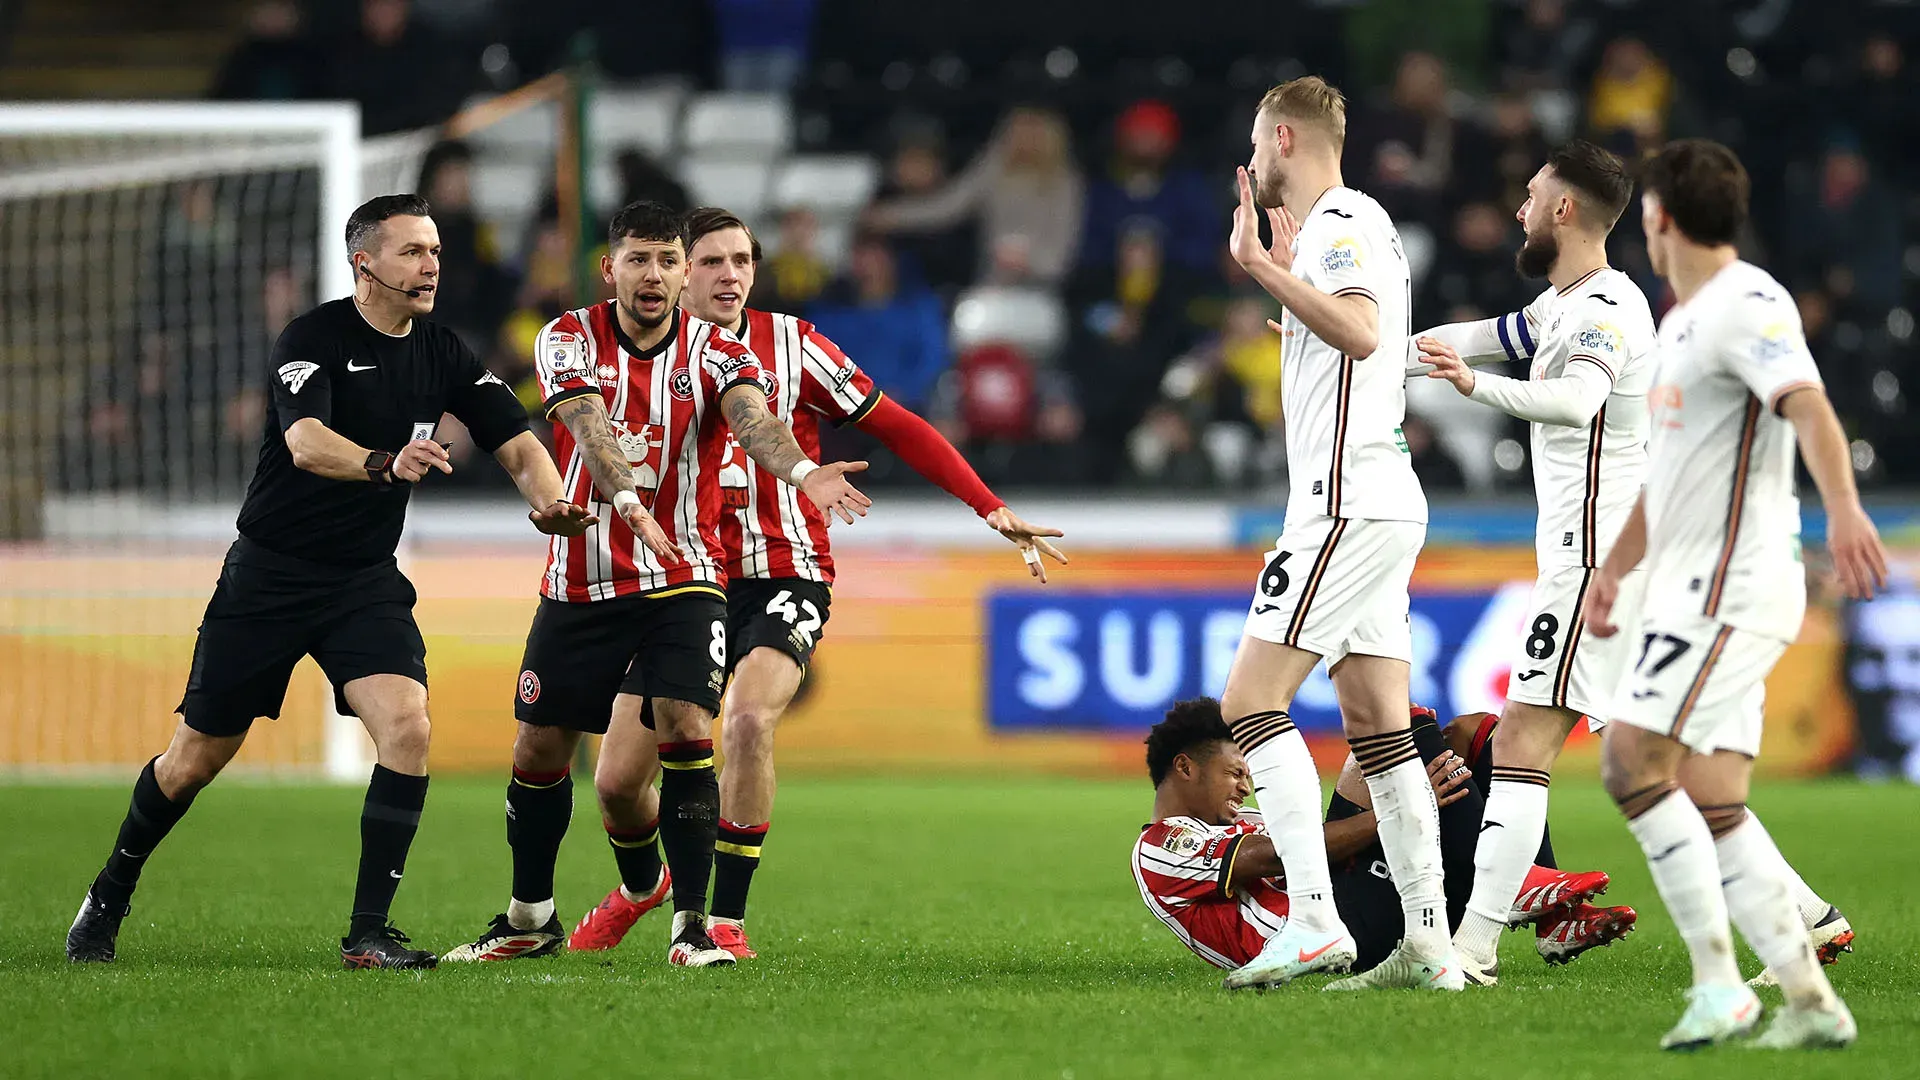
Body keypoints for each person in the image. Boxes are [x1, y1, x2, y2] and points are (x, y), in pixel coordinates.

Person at [64, 194, 598, 970]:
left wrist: (550, 500)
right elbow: (308, 442)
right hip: (269, 577)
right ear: (365, 263)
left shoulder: (443, 350)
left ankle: (368, 934)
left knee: (408, 726)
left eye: (437, 251)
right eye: (413, 251)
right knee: (194, 758)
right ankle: (109, 892)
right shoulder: (310, 338)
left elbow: (515, 438)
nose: (431, 265)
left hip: (361, 582)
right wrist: (384, 463)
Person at [560, 206, 1065, 960]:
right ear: (673, 271)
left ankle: (724, 919)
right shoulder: (627, 352)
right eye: (712, 262)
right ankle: (643, 887)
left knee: (749, 721)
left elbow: (898, 424)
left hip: (781, 569)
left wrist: (989, 506)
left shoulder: (791, 345)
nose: (730, 275)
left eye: (743, 261)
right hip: (685, 577)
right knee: (615, 784)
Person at [1412, 141, 1855, 989]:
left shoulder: (1608, 310)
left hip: (1594, 565)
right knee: (1666, 770)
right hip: (1607, 563)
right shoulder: (1559, 306)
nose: (1519, 211)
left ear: (1565, 210)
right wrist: (1346, 342)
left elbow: (1573, 400)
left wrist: (1473, 388)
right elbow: (1459, 339)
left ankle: (1469, 949)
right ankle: (1805, 918)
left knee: (1524, 742)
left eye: (1532, 196)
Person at [440, 202, 870, 970]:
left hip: (683, 571)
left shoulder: (717, 352)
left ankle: (694, 925)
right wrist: (626, 497)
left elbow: (754, 422)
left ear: (682, 271)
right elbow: (584, 420)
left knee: (686, 725)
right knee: (541, 749)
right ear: (610, 268)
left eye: (669, 261)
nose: (655, 275)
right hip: (584, 577)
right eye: (638, 259)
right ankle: (530, 916)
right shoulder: (567, 336)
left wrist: (804, 471)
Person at [1585, 139, 1887, 1050]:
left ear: (1659, 218)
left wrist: (1842, 511)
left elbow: (1810, 406)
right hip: (1687, 584)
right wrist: (1614, 567)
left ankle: (1721, 985)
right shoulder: (1681, 323)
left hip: (1728, 589)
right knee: (1714, 798)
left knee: (1631, 764)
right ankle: (1809, 1001)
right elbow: (1666, 478)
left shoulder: (1747, 304)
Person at [1214, 76, 1451, 991]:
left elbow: (1358, 332)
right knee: (1379, 731)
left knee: (1249, 702)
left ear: (1281, 137)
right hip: (1377, 497)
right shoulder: (1346, 227)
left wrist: (1265, 270)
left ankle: (1314, 920)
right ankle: (1428, 938)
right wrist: (1288, 290)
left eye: (1252, 144)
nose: (1248, 165)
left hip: (1345, 502)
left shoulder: (1342, 221)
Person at [1134, 699, 1635, 978]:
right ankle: (1512, 882)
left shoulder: (1242, 817)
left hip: (1364, 903)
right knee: (1400, 725)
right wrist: (1401, 810)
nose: (1246, 786)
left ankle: (1550, 915)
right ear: (1184, 768)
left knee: (1479, 733)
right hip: (1331, 939)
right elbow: (1278, 855)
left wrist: (1401, 806)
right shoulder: (1159, 846)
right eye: (1235, 773)